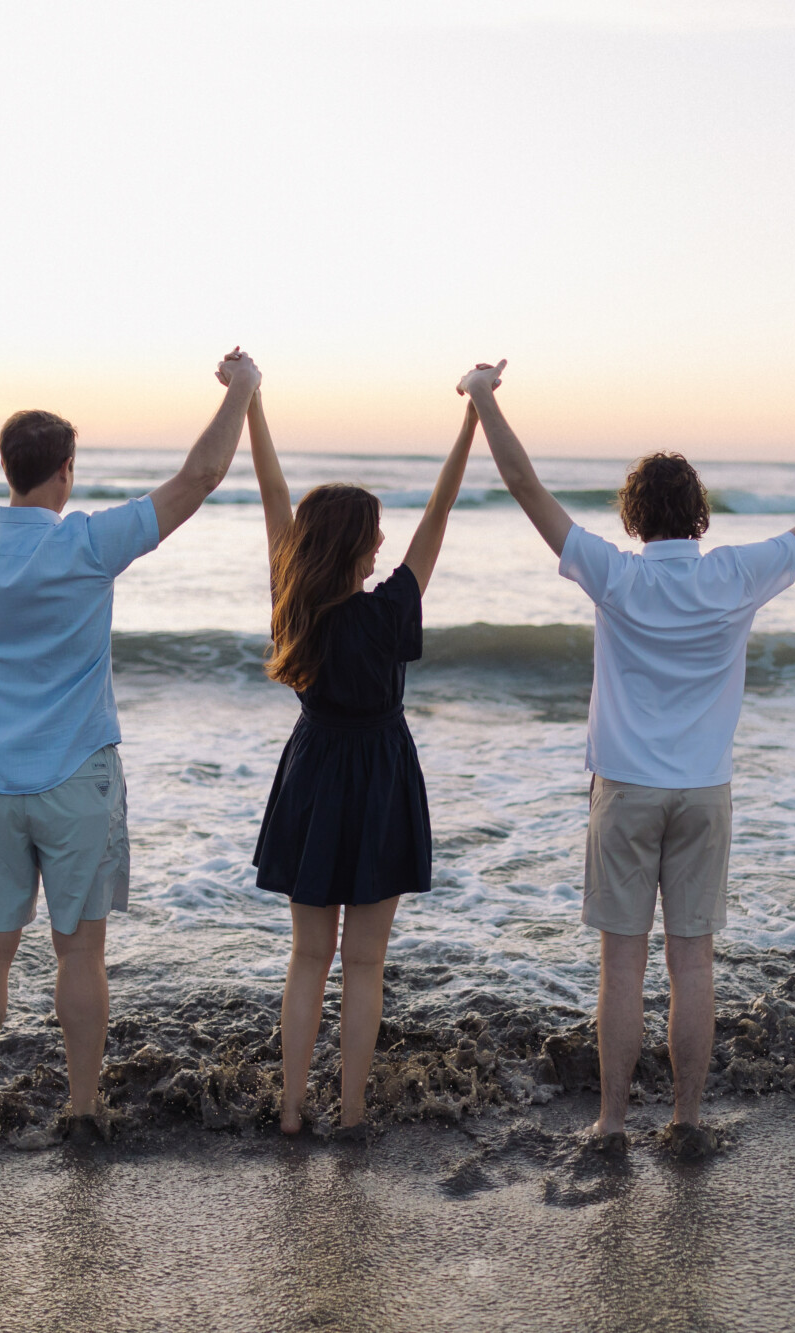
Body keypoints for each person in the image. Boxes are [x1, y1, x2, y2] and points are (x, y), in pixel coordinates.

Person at [462, 359, 795, 1149]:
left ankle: (611, 1122)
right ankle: (688, 1119)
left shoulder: (616, 575)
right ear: (698, 514)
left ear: (634, 516)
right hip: (703, 790)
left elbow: (525, 487)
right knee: (691, 964)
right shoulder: (736, 573)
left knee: (620, 968)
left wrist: (485, 397)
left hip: (624, 788)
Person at [0, 349, 262, 1125]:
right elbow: (197, 479)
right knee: (80, 951)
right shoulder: (88, 544)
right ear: (64, 470)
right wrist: (243, 391)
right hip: (77, 776)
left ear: (7, 470)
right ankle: (84, 1108)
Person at [247, 381, 478, 1135]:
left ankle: (289, 1111)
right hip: (380, 775)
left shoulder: (296, 603)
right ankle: (349, 1113)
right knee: (366, 964)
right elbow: (439, 515)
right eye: (375, 534)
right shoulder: (388, 612)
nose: (384, 543)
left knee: (307, 958)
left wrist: (253, 405)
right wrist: (472, 417)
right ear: (358, 545)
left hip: (313, 772)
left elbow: (275, 492)